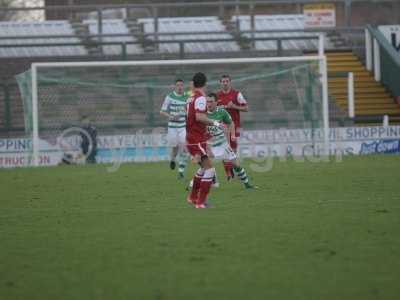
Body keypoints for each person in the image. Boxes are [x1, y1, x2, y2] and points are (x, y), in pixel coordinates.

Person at [186, 72, 221, 208]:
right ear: (205, 83)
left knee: (203, 168)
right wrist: (216, 123)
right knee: (210, 170)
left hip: (193, 137)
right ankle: (200, 203)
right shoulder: (200, 98)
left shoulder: (190, 98)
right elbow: (199, 117)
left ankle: (193, 197)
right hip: (196, 138)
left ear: (194, 84)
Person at [206, 93, 255, 189]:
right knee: (205, 166)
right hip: (209, 145)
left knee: (236, 164)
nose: (209, 104)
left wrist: (232, 135)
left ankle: (247, 185)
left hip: (223, 144)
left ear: (216, 102)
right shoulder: (202, 114)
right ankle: (203, 184)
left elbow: (231, 123)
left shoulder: (222, 112)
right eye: (207, 101)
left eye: (211, 101)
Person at [217, 74, 248, 180]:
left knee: (233, 152)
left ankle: (231, 168)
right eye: (223, 81)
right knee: (224, 151)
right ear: (220, 83)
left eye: (227, 81)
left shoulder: (237, 94)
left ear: (230, 82)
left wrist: (234, 106)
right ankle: (228, 172)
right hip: (221, 129)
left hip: (234, 127)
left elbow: (246, 108)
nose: (225, 83)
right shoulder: (216, 97)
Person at [160, 79, 189, 179]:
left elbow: (189, 110)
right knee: (175, 147)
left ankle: (181, 171)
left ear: (183, 86)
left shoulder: (187, 97)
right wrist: (171, 116)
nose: (180, 87)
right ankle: (172, 160)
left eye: (181, 85)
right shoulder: (169, 97)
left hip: (182, 127)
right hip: (172, 127)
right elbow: (162, 111)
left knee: (185, 147)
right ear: (175, 86)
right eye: (178, 85)